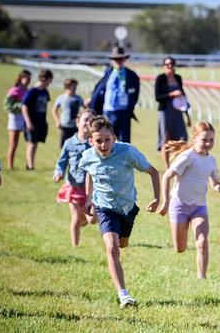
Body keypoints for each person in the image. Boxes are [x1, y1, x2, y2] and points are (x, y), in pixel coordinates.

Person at [79, 115, 160, 307]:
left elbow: (154, 172)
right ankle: (124, 295)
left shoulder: (127, 152)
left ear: (114, 137)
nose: (104, 144)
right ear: (91, 141)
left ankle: (124, 237)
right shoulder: (88, 157)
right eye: (98, 141)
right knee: (112, 247)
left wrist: (158, 198)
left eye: (107, 139)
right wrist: (89, 199)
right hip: (105, 208)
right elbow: (89, 173)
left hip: (128, 207)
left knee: (122, 244)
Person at [159, 122, 220, 279]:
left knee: (202, 242)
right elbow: (167, 176)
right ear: (194, 138)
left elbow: (215, 185)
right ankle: (181, 233)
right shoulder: (187, 157)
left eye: (211, 140)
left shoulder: (211, 161)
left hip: (199, 207)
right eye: (204, 139)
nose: (208, 143)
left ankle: (202, 277)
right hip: (179, 205)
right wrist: (165, 202)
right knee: (180, 248)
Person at [53, 109, 96, 246]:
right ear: (77, 122)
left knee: (90, 220)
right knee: (76, 217)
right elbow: (62, 162)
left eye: (91, 121)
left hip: (90, 189)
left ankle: (83, 221)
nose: (88, 123)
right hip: (73, 187)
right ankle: (75, 246)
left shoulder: (95, 144)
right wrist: (58, 173)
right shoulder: (69, 143)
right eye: (85, 120)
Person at [89, 46, 140, 143]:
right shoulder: (108, 73)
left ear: (124, 59)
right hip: (108, 112)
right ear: (112, 60)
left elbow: (135, 94)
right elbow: (99, 89)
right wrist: (93, 101)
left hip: (124, 112)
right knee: (107, 140)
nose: (118, 61)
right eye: (115, 59)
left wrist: (130, 106)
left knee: (123, 142)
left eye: (120, 59)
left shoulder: (131, 75)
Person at [155, 56, 189, 168]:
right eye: (167, 64)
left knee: (181, 138)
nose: (169, 66)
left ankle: (178, 164)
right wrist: (172, 94)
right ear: (164, 66)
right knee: (166, 139)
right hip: (165, 111)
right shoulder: (160, 78)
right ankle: (167, 166)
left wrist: (187, 115)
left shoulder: (178, 78)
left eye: (171, 64)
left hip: (177, 112)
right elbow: (158, 97)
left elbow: (183, 97)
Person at [22, 69, 53, 170]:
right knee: (31, 143)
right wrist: (28, 122)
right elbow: (24, 106)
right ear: (44, 79)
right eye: (49, 80)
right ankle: (30, 166)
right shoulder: (33, 91)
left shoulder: (44, 91)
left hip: (41, 122)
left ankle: (30, 163)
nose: (50, 82)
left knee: (35, 143)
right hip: (32, 122)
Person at [4, 70, 31, 169]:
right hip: (15, 119)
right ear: (21, 78)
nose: (28, 80)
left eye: (29, 78)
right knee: (13, 143)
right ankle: (10, 166)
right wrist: (21, 105)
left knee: (29, 142)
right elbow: (7, 106)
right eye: (26, 78)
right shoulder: (14, 90)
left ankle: (29, 164)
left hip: (25, 119)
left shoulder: (28, 91)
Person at [52, 78, 85, 148]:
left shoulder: (78, 98)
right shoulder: (61, 98)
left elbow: (85, 108)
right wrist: (57, 121)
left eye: (76, 86)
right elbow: (54, 110)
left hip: (75, 126)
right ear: (67, 87)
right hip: (65, 125)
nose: (75, 88)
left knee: (75, 145)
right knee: (64, 146)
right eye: (73, 86)